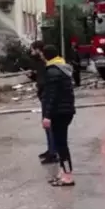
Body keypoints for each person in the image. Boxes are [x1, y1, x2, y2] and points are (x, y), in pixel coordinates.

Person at [41, 44, 76, 186]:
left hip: (58, 112)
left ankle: (68, 177)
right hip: (66, 111)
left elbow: (51, 96)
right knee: (62, 143)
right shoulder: (63, 68)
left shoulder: (52, 72)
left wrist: (47, 116)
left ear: (46, 55)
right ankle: (63, 172)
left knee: (61, 145)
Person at [29, 40, 58, 164]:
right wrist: (34, 77)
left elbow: (44, 81)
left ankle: (53, 152)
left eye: (32, 50)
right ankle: (51, 149)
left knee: (49, 125)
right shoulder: (40, 62)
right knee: (48, 126)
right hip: (45, 96)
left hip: (47, 97)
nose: (31, 52)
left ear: (38, 50)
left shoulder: (44, 62)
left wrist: (39, 85)